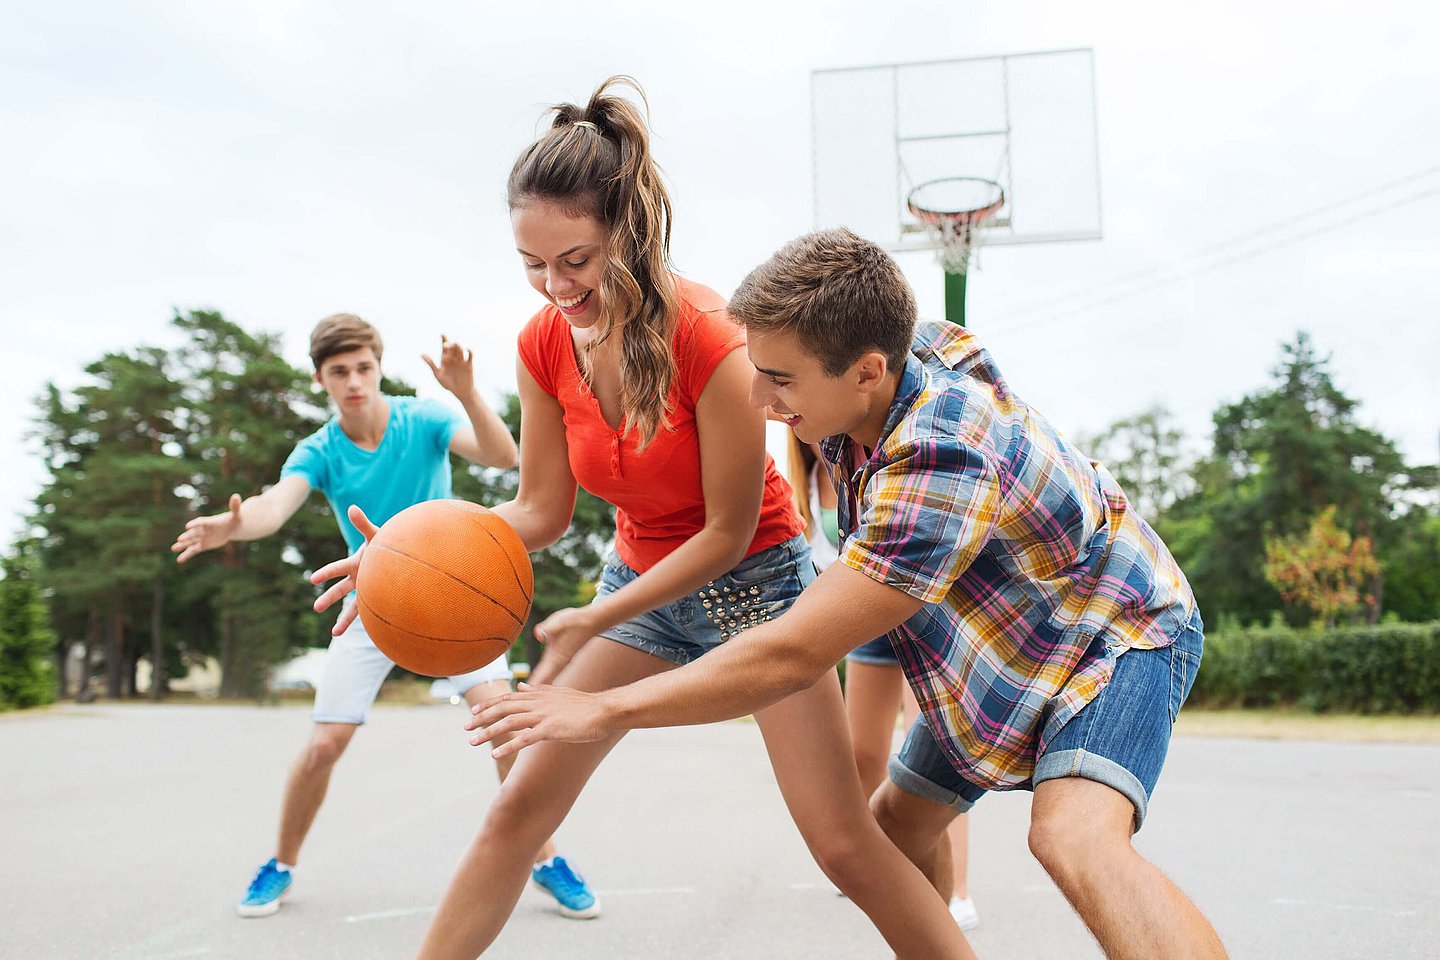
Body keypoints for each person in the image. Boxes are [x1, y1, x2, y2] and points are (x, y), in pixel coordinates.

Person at [313, 79, 976, 960]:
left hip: (761, 592)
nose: (556, 286)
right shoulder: (542, 343)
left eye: (576, 261)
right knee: (516, 811)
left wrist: (597, 615)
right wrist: (404, 553)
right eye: (533, 265)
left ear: (629, 229)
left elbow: (726, 533)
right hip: (639, 588)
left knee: (846, 848)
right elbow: (540, 509)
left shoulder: (714, 337)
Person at [473, 228, 1230, 960]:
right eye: (758, 369)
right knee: (893, 837)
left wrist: (602, 708)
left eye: (780, 380)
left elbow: (792, 651)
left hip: (1110, 631)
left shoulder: (938, 463)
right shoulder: (891, 354)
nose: (760, 399)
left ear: (867, 371)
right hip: (998, 648)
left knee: (1071, 837)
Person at [171, 316, 598, 920]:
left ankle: (545, 856)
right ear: (321, 378)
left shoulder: (421, 419)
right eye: (339, 372)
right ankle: (280, 862)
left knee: (503, 725)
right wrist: (236, 525)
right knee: (323, 745)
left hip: (455, 595)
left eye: (363, 368)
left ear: (377, 366)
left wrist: (466, 390)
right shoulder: (319, 449)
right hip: (370, 602)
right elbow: (273, 506)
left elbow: (502, 456)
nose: (354, 381)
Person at [786, 433, 980, 932]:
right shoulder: (807, 481)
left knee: (937, 761)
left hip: (925, 617)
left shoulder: (875, 453)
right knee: (863, 756)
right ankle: (881, 860)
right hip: (865, 627)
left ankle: (957, 891)